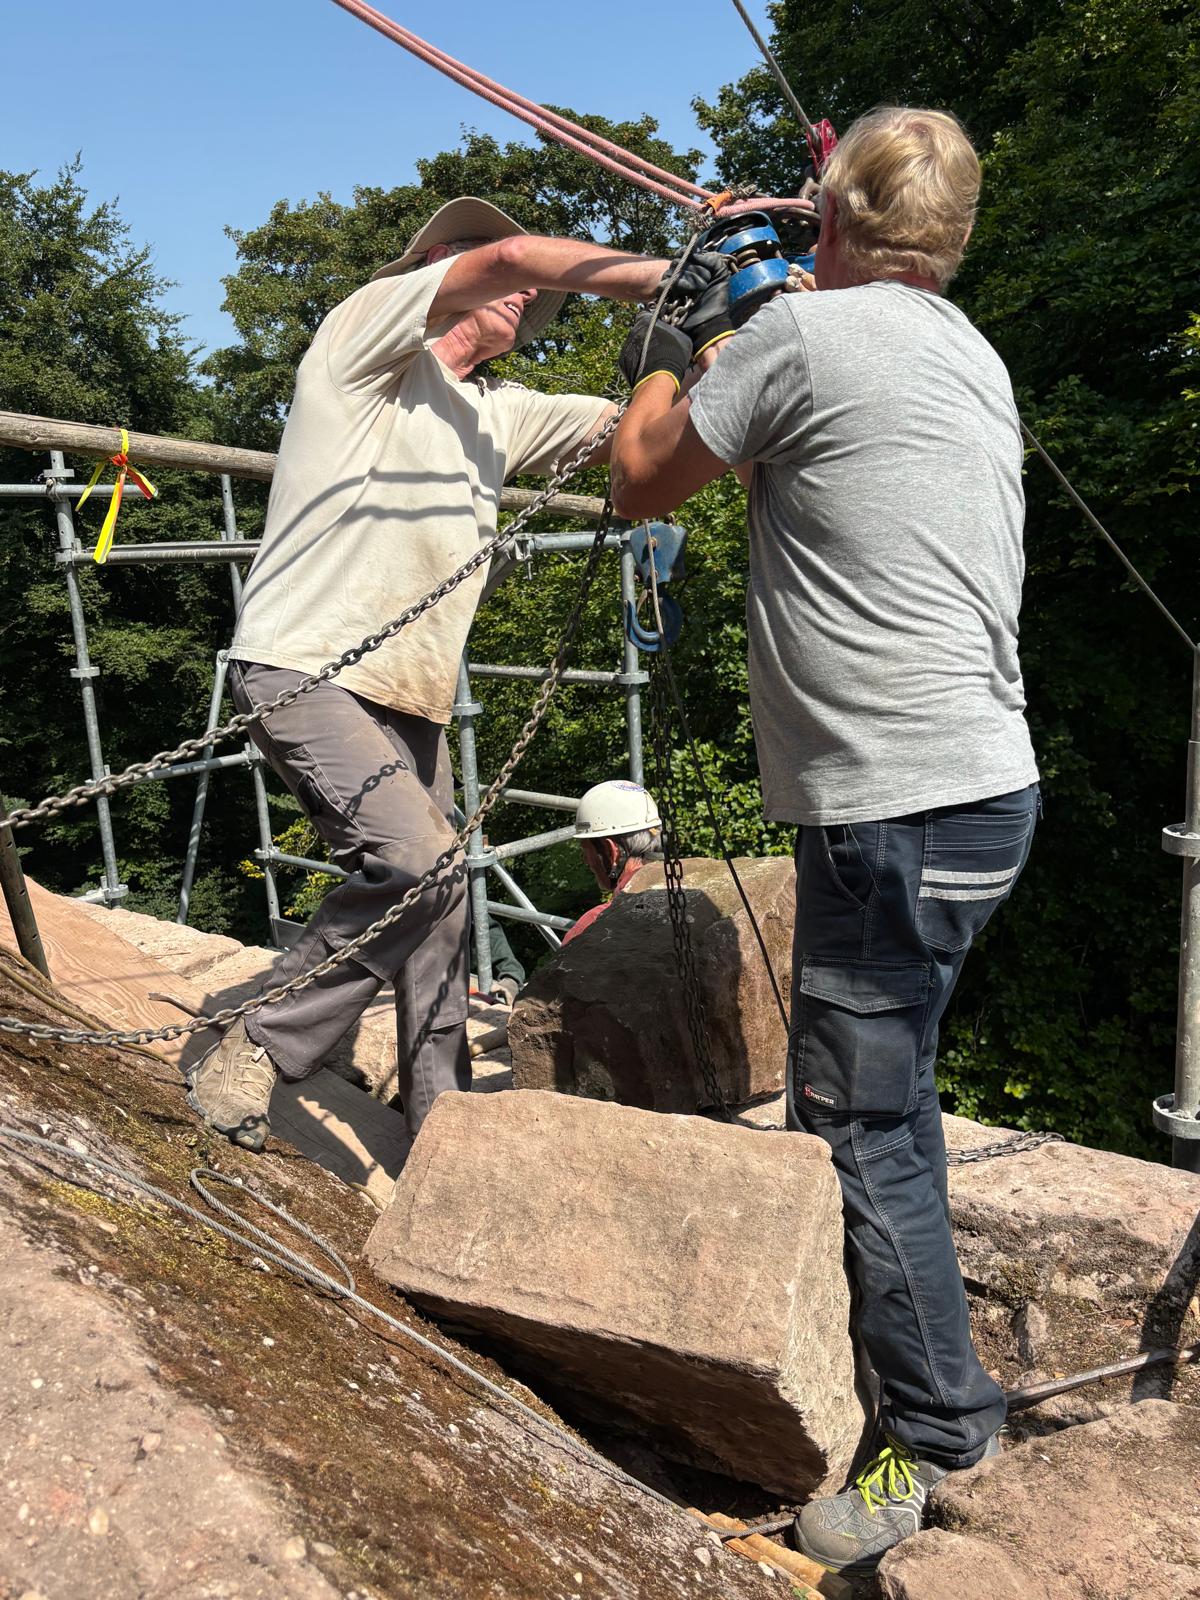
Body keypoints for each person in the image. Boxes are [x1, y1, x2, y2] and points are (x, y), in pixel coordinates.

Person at [609, 107, 1040, 1576]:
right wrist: (799, 254)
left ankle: (935, 1436)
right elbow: (806, 437)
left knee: (857, 1122)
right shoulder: (968, 350)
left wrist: (669, 338)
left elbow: (642, 474)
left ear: (838, 218)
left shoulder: (799, 337)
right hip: (987, 791)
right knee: (892, 1096)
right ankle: (919, 1382)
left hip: (888, 806)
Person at [187, 196, 670, 1153]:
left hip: (410, 696)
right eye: (488, 261)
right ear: (437, 268)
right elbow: (517, 256)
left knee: (441, 903)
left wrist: (697, 349)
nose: (521, 287)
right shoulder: (363, 345)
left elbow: (644, 434)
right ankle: (259, 1044)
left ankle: (441, 1119)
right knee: (417, 864)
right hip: (305, 664)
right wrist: (664, 277)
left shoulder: (497, 413)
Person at [562, 780, 662, 946]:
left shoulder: (592, 927)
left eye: (586, 851)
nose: (585, 860)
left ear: (611, 851)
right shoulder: (694, 895)